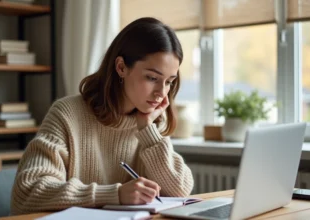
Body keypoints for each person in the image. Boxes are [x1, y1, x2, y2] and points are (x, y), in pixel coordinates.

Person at [11, 17, 194, 215]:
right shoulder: (67, 114)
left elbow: (180, 190)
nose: (161, 92)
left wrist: (148, 131)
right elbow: (28, 192)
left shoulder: (149, 122)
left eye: (169, 82)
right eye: (152, 78)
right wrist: (114, 195)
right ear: (121, 67)